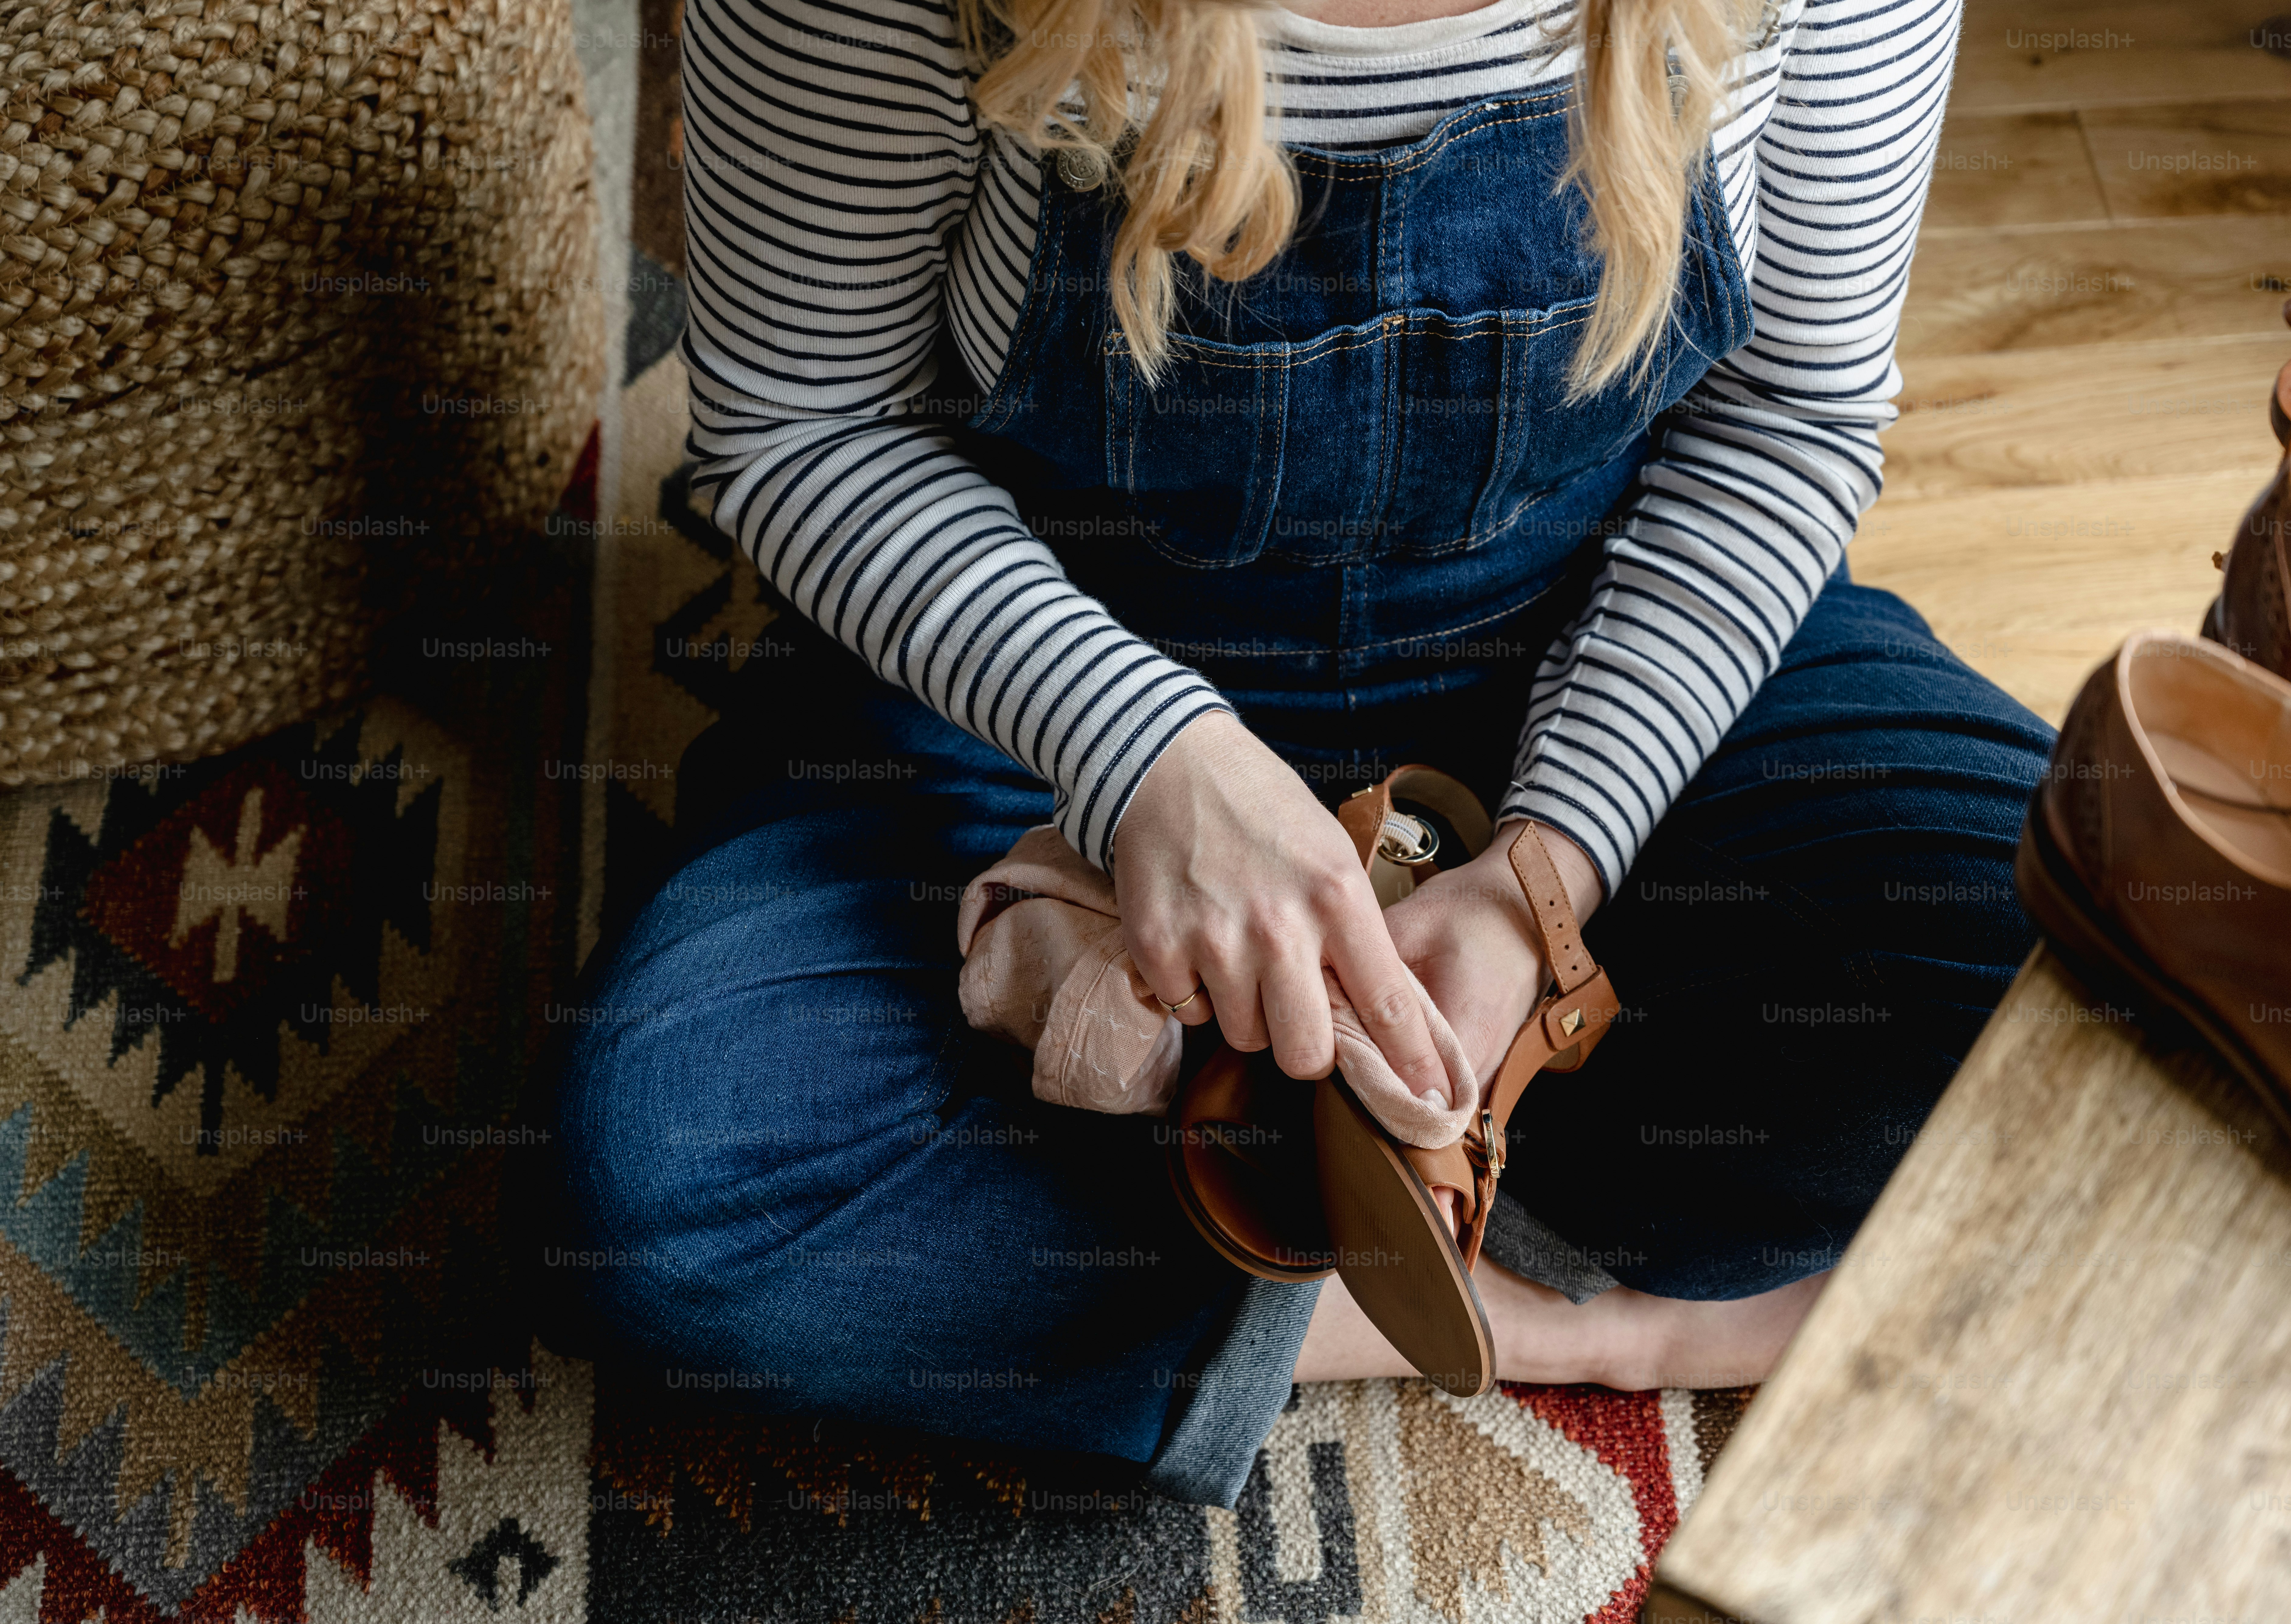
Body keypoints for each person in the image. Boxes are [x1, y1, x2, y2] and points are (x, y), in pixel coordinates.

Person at [547, 0, 2052, 1508]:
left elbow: (1785, 423)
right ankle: (1547, 1301)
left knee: (2074, 998)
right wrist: (1145, 762)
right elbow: (809, 427)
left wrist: (1546, 871)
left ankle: (1270, 1150)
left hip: (1595, 631)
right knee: (678, 1177)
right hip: (1028, 672)